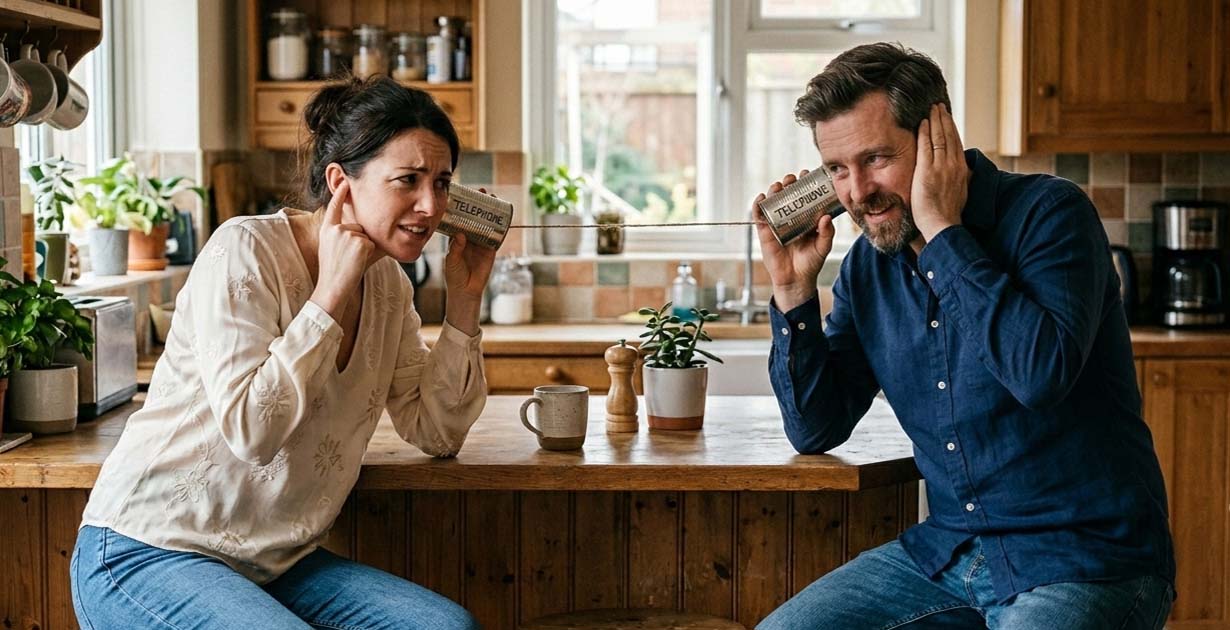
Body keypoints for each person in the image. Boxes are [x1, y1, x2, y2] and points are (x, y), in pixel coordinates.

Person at [754, 43, 1174, 629]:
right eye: (837, 170)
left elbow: (1039, 376)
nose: (856, 192)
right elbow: (816, 427)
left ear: (936, 137)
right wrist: (794, 291)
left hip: (1085, 559)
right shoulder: (868, 268)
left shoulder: (1052, 215)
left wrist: (942, 230)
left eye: (875, 159)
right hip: (950, 555)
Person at [70, 77, 494, 629]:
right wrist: (329, 293)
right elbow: (252, 433)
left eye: (441, 183)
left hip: (275, 564)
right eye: (407, 181)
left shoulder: (390, 286)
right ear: (341, 182)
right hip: (149, 548)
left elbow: (437, 432)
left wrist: (465, 300)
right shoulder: (244, 249)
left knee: (445, 627)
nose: (430, 205)